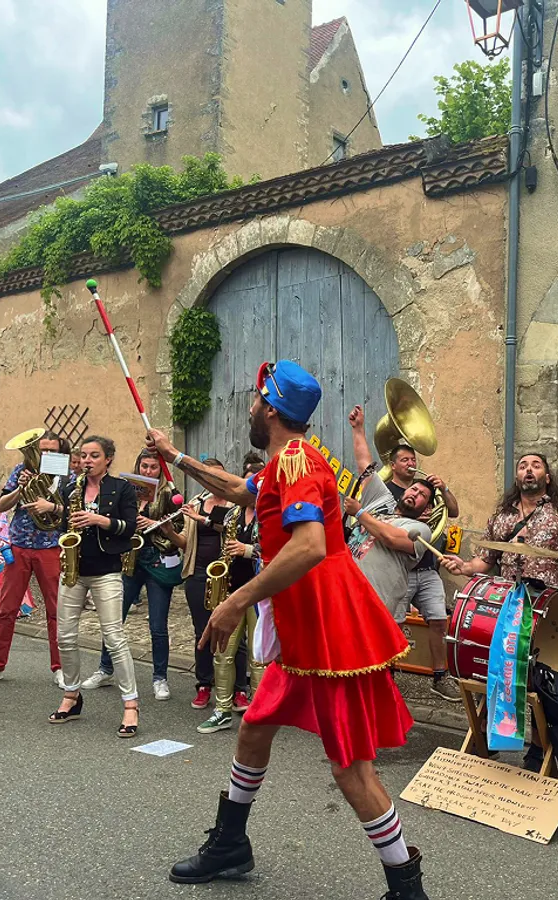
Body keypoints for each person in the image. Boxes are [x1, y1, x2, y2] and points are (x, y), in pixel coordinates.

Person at [148, 359, 430, 900]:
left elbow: (308, 546)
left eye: (255, 401)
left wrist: (236, 599)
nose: (250, 408)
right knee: (254, 727)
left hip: (328, 633)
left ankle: (406, 886)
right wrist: (175, 455)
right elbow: (241, 490)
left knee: (350, 769)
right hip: (305, 631)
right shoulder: (287, 462)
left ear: (270, 409)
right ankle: (230, 843)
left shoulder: (297, 461)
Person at [349, 406, 459, 701]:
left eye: (422, 496)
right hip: (349, 591)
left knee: (371, 661)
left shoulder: (419, 530)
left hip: (377, 600)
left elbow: (388, 537)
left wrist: (359, 512)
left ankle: (381, 704)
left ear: (426, 508)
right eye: (414, 491)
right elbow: (364, 465)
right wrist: (358, 430)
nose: (414, 494)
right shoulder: (383, 498)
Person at [50, 435, 142, 738]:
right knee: (65, 636)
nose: (87, 461)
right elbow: (63, 523)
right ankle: (72, 695)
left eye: (94, 456)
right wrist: (51, 510)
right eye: (83, 455)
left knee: (114, 637)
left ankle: (131, 704)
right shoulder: (69, 487)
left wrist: (99, 519)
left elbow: (129, 528)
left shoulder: (123, 488)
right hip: (74, 569)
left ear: (108, 459)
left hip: (107, 570)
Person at [0, 432, 70, 688]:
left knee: (56, 610)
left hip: (50, 546)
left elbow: (74, 511)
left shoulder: (67, 475)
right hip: (19, 544)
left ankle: (60, 667)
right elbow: (1, 506)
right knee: (7, 608)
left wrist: (52, 507)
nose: (44, 455)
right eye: (40, 449)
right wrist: (21, 489)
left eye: (50, 450)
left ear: (60, 453)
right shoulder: (20, 470)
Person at [82, 448, 184, 700]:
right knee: (115, 620)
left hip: (157, 560)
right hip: (129, 559)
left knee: (157, 625)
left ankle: (160, 677)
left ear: (161, 469)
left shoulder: (170, 494)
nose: (148, 471)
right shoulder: (126, 489)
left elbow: (180, 530)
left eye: (153, 467)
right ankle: (105, 669)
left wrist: (154, 525)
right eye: (144, 466)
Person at [441, 452, 558, 590]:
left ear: (547, 479)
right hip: (510, 603)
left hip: (553, 607)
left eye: (536, 466)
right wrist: (464, 567)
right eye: (523, 466)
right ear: (517, 479)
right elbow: (485, 560)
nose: (528, 469)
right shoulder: (502, 517)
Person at [198, 452, 267, 735]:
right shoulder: (232, 515)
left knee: (258, 656)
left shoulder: (270, 515)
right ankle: (222, 710)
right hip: (232, 589)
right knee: (223, 651)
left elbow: (281, 553)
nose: (248, 490)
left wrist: (248, 550)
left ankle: (261, 712)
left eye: (254, 486)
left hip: (261, 592)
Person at [179, 460, 233, 710]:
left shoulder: (234, 504)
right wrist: (168, 530)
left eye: (218, 476)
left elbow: (230, 529)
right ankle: (204, 683)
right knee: (201, 630)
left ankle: (235, 687)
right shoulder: (197, 502)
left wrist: (202, 518)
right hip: (198, 573)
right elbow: (184, 541)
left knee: (231, 632)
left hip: (228, 574)